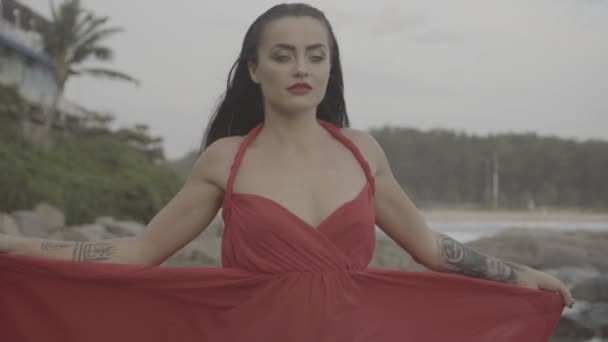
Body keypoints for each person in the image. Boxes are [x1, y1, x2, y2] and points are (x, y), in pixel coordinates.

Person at [0, 3, 572, 341]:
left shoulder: (362, 152)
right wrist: (14, 246)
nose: (301, 67)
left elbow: (428, 248)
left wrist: (520, 276)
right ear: (254, 69)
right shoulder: (226, 159)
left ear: (329, 67)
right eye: (282, 55)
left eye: (315, 55)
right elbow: (140, 251)